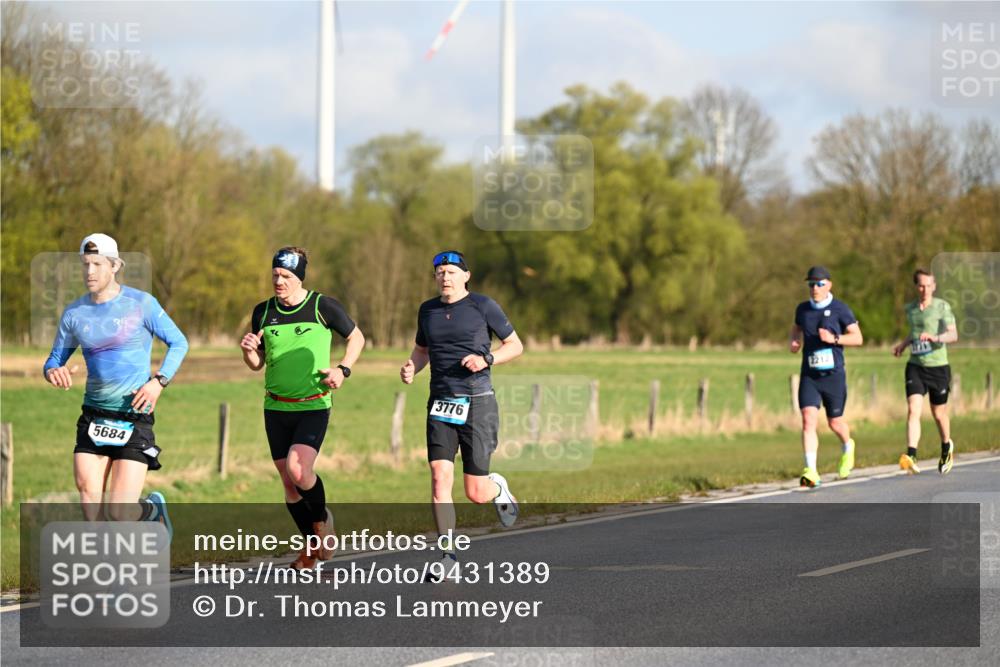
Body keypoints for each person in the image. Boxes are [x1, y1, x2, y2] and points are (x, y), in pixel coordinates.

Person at [43, 233, 188, 535]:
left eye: (97, 264)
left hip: (133, 415)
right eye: (85, 264)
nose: (89, 272)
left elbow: (179, 342)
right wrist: (53, 371)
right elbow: (54, 359)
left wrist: (158, 382)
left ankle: (151, 511)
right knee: (88, 496)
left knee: (120, 512)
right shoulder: (74, 313)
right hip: (94, 416)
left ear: (115, 266)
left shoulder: (141, 304)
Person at [400, 250, 523, 579]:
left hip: (478, 403)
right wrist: (413, 365)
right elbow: (422, 349)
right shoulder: (427, 311)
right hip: (440, 403)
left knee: (476, 493)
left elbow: (515, 345)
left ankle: (498, 488)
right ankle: (448, 556)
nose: (445, 276)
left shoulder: (483, 306)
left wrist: (488, 360)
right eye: (439, 272)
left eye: (452, 271)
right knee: (440, 478)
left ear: (466, 276)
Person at [241, 246, 365, 569]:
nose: (278, 282)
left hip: (313, 404)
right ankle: (310, 547)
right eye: (275, 276)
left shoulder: (322, 306)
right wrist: (249, 351)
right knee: (287, 482)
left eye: (285, 276)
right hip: (275, 407)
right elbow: (258, 363)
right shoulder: (263, 312)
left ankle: (323, 521)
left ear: (299, 278)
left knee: (299, 471)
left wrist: (343, 370)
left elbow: (357, 338)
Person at [789, 266, 863, 488]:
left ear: (829, 285)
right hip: (810, 375)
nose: (815, 288)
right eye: (811, 284)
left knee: (835, 422)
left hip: (834, 376)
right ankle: (811, 470)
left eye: (820, 283)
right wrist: (795, 340)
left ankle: (848, 446)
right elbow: (796, 328)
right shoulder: (802, 310)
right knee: (808, 420)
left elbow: (858, 338)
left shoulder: (840, 309)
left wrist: (834, 339)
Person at [892, 269, 958, 474]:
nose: (925, 289)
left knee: (938, 414)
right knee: (913, 409)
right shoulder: (911, 309)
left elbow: (953, 335)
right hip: (916, 366)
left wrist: (935, 338)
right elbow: (914, 332)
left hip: (938, 367)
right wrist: (903, 345)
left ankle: (946, 446)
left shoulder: (941, 307)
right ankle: (911, 454)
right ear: (916, 286)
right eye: (921, 285)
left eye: (929, 285)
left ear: (934, 286)